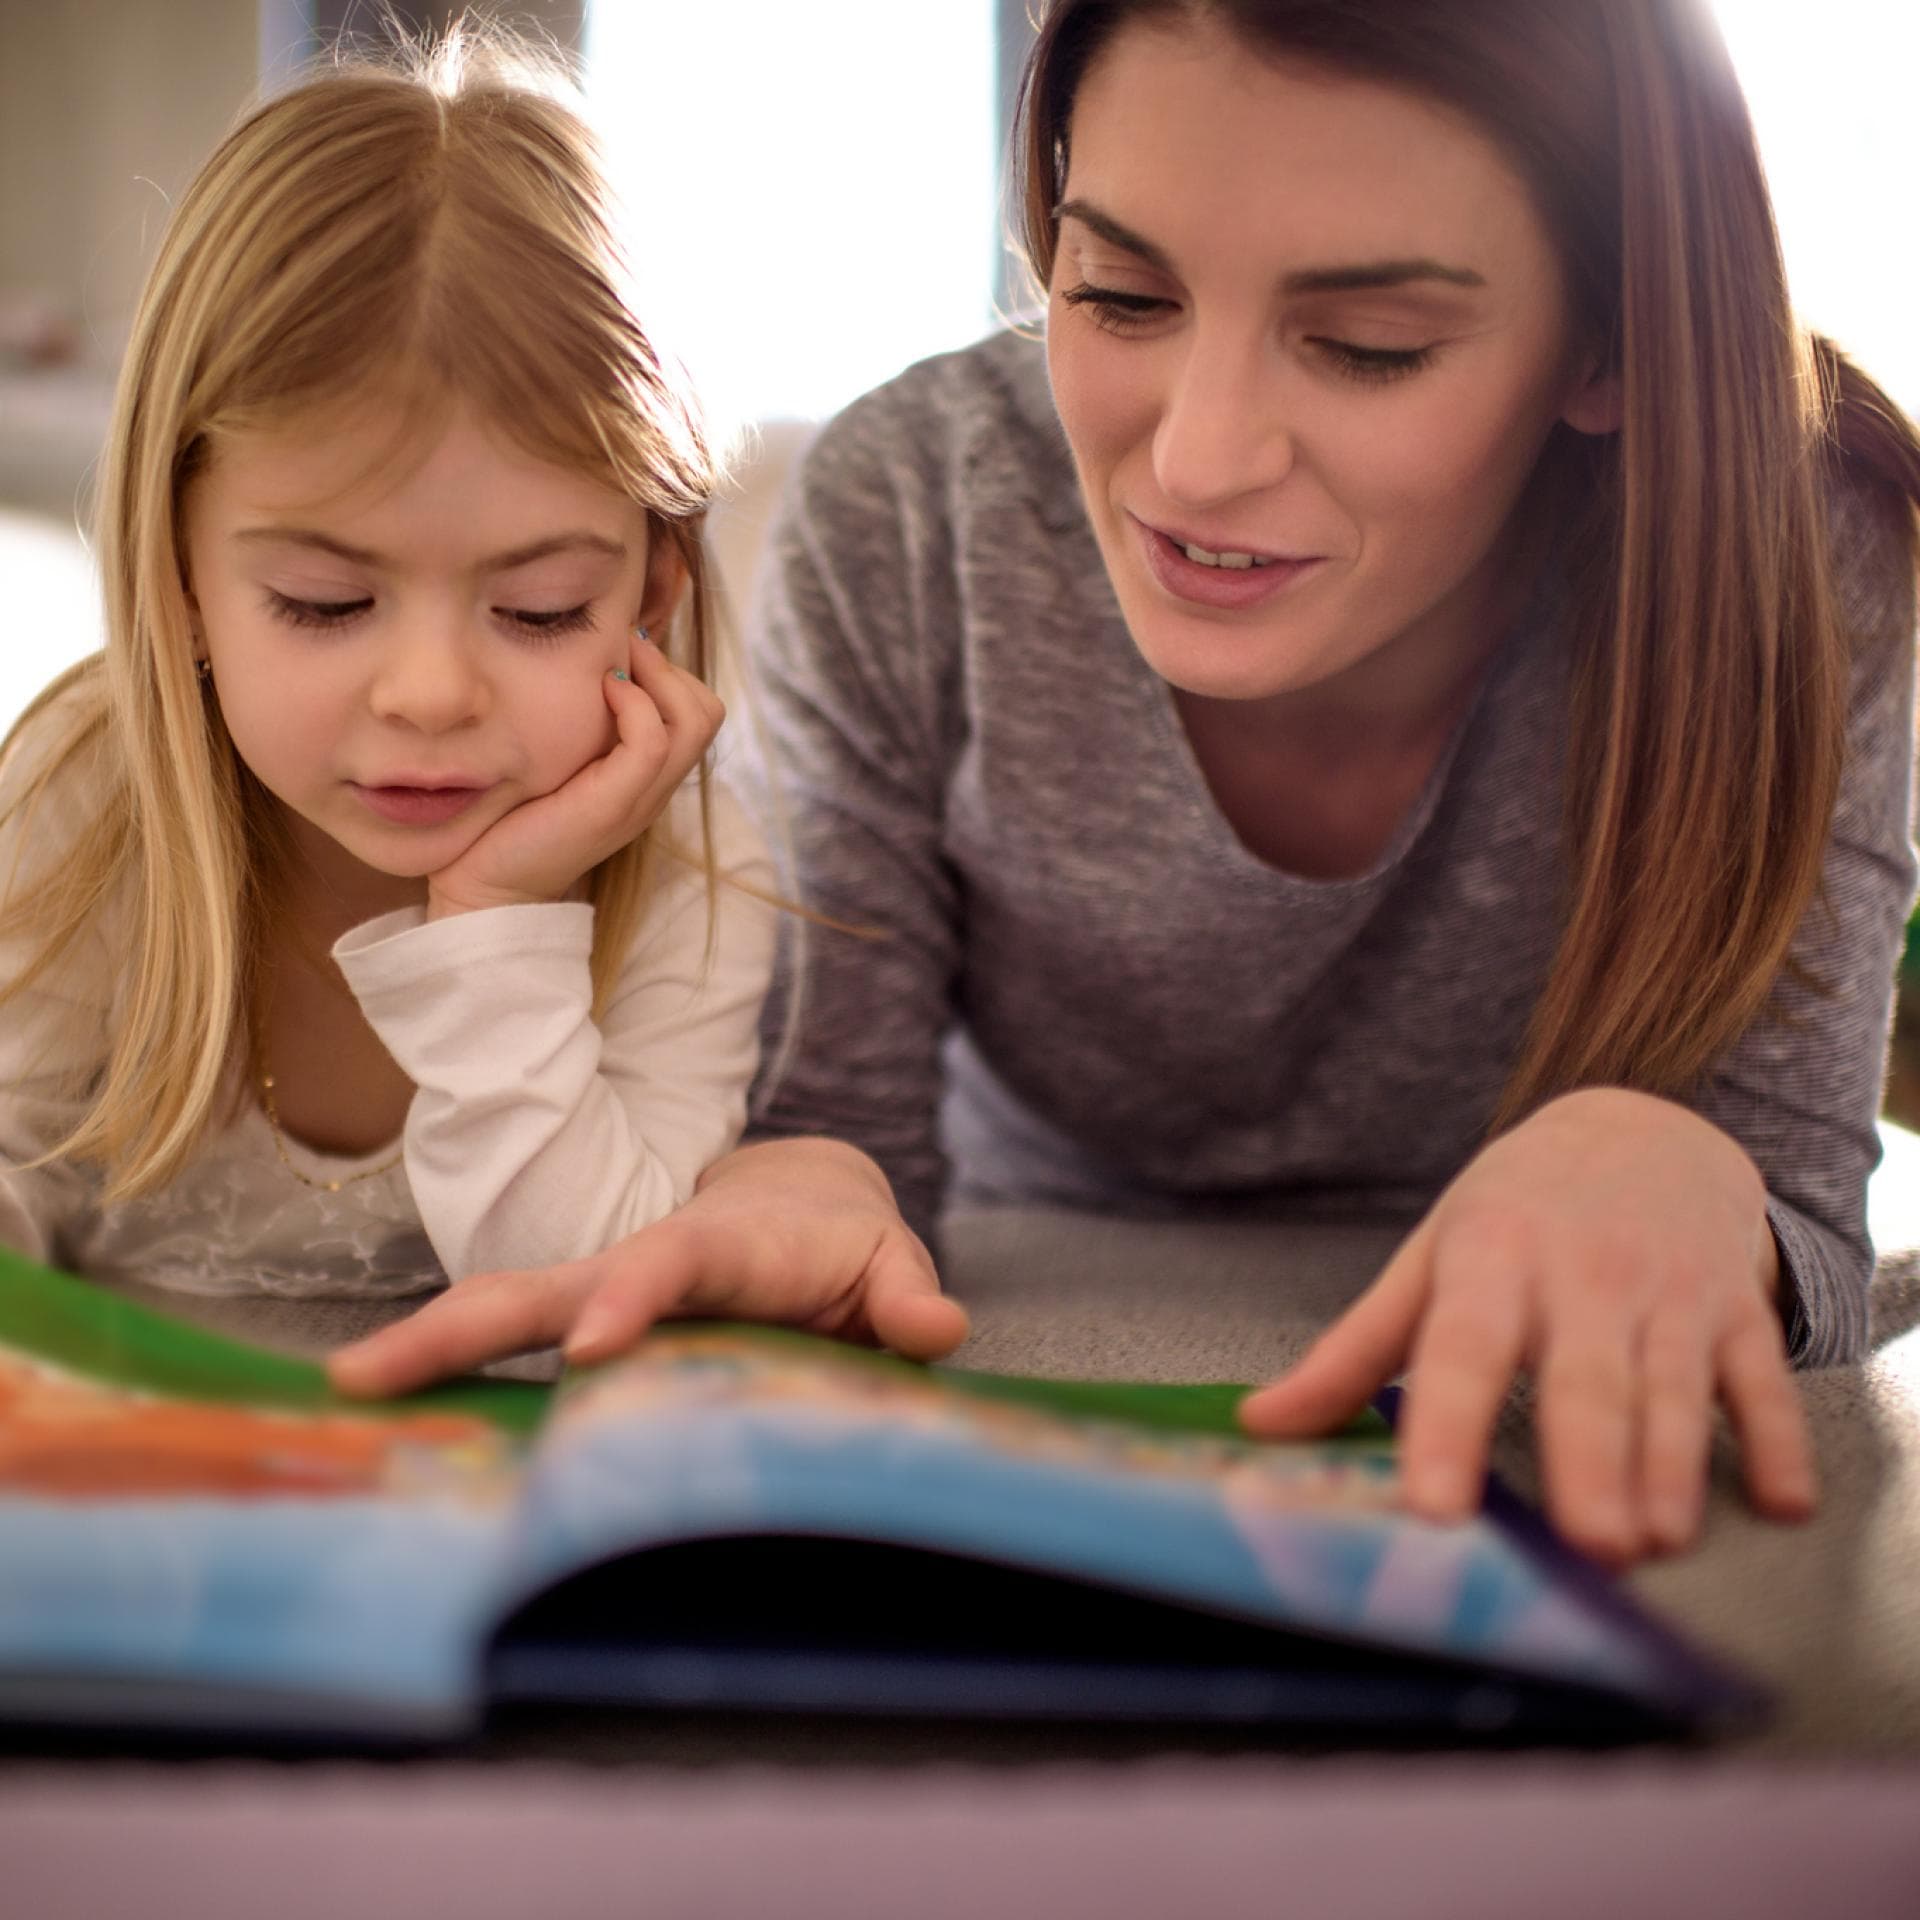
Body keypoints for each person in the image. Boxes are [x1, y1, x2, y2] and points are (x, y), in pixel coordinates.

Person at [335, 0, 1920, 1568]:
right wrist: (801, 1181)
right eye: (1119, 294)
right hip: (1036, 1294)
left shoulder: (1802, 557)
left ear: (1609, 342)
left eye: (1369, 347)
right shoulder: (914, 509)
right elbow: (840, 1128)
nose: (1198, 461)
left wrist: (1697, 1180)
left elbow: (1811, 1249)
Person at [0, 29, 776, 1317]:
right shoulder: (78, 812)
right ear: (177, 579)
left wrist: (497, 922)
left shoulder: (693, 878)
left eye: (537, 610)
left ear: (648, 589)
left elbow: (594, 1305)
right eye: (326, 602)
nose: (430, 693)